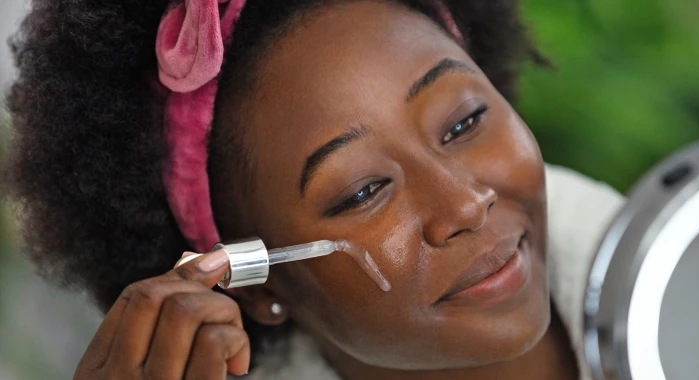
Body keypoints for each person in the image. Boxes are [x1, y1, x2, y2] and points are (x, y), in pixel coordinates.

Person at [3, 0, 624, 378]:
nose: (464, 204)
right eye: (362, 192)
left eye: (463, 123)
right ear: (264, 286)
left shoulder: (695, 248)